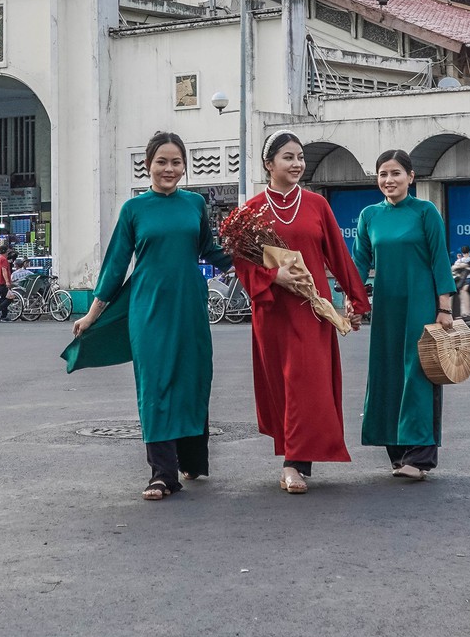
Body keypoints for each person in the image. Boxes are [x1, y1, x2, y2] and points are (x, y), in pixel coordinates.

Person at [65, 133, 231, 501]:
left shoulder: (195, 204)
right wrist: (93, 313)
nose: (169, 169)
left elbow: (211, 250)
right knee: (155, 384)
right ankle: (161, 474)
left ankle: (191, 460)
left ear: (184, 167)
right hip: (149, 307)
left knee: (193, 378)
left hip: (190, 306)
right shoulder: (134, 210)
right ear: (148, 165)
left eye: (175, 162)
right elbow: (115, 265)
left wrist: (259, 263)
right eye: (161, 162)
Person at [233, 131, 370, 495]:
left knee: (306, 382)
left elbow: (338, 255)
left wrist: (356, 300)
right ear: (269, 164)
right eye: (288, 158)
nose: (297, 164)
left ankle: (294, 462)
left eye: (300, 157)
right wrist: (272, 276)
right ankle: (295, 459)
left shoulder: (316, 205)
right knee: (286, 384)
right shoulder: (251, 211)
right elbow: (243, 265)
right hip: (275, 311)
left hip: (313, 309)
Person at [352, 149, 456, 480]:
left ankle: (420, 456)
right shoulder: (369, 216)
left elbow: (440, 259)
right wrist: (351, 302)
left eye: (396, 173)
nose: (389, 180)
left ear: (411, 177)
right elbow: (358, 263)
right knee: (386, 372)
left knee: (418, 374)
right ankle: (396, 452)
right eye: (383, 174)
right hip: (386, 306)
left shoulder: (426, 212)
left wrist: (444, 308)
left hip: (422, 305)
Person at [0, 245, 14, 321]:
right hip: (2, 282)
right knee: (10, 298)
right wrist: (7, 281)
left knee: (3, 298)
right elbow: (4, 270)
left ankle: (4, 316)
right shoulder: (4, 260)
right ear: (6, 251)